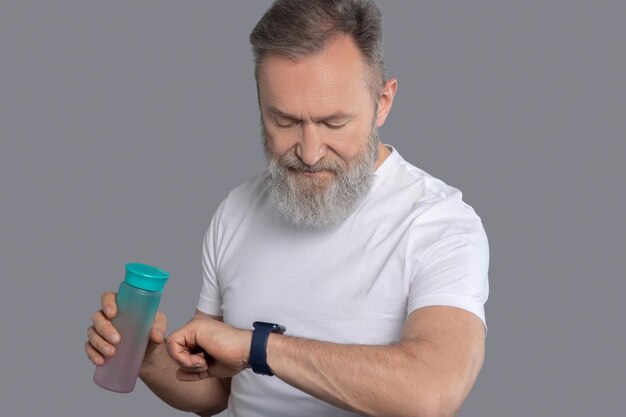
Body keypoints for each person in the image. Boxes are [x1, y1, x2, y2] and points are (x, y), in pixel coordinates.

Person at [85, 1, 490, 416]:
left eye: (334, 123)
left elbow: (431, 394)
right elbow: (214, 390)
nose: (310, 153)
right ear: (261, 105)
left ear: (383, 102)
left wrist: (257, 348)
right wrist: (149, 358)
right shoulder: (237, 210)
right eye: (285, 121)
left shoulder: (439, 223)